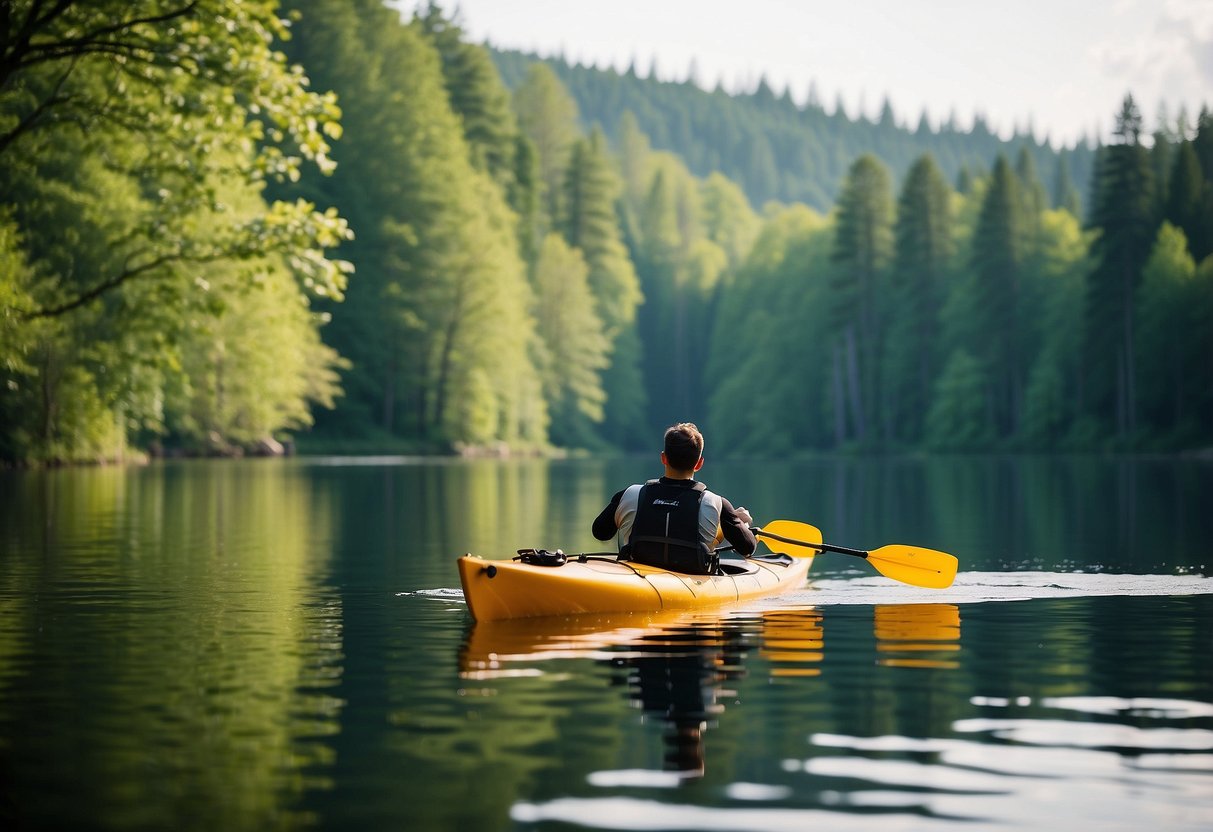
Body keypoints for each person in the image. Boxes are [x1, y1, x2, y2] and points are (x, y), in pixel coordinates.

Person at [592, 422, 757, 574]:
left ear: (663, 458)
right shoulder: (716, 503)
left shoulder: (630, 494)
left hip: (638, 578)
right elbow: (748, 548)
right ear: (699, 463)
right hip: (689, 584)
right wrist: (741, 523)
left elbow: (600, 532)